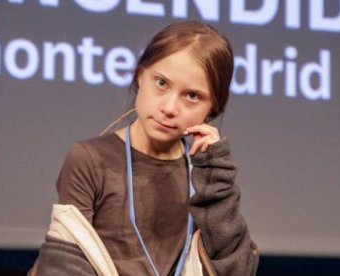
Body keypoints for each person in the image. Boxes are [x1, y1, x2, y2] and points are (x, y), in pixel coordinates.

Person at [30, 20, 259, 276]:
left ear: (213, 108)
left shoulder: (205, 173)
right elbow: (63, 265)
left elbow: (238, 271)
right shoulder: (89, 160)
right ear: (141, 76)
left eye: (192, 96)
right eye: (161, 83)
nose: (170, 108)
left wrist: (218, 183)